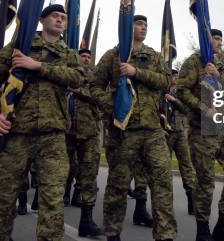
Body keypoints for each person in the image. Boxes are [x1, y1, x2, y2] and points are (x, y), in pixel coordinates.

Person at [0, 4, 83, 241]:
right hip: (16, 133)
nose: (60, 20)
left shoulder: (69, 54)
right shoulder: (20, 47)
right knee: (3, 200)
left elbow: (78, 78)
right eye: (55, 16)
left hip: (53, 137)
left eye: (64, 17)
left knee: (53, 202)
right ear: (41, 20)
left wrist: (39, 66)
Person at [91, 14, 177, 241]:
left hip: (152, 130)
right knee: (118, 186)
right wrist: (113, 106)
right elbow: (94, 86)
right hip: (123, 132)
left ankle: (165, 235)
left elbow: (166, 82)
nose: (143, 28)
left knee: (162, 184)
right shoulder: (112, 55)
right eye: (139, 24)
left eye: (146, 25)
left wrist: (136, 72)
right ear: (128, 27)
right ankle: (112, 234)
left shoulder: (153, 56)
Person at [176, 29, 224, 241]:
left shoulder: (221, 64)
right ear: (206, 41)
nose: (219, 43)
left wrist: (219, 76)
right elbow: (182, 91)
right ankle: (202, 229)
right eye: (215, 39)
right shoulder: (192, 62)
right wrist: (203, 108)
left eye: (221, 39)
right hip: (202, 131)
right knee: (205, 181)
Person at [64, 48, 104, 237]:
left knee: (89, 174)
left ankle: (86, 221)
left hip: (89, 131)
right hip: (65, 129)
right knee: (62, 170)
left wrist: (80, 91)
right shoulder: (67, 71)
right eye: (83, 56)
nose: (86, 59)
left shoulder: (95, 77)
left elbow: (100, 97)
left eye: (89, 57)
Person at [162, 69, 196, 215]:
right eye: (173, 76)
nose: (175, 78)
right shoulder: (160, 91)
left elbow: (186, 110)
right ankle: (165, 203)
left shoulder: (180, 93)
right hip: (166, 133)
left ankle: (191, 200)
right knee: (164, 168)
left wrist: (173, 100)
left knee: (186, 166)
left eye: (176, 76)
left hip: (180, 131)